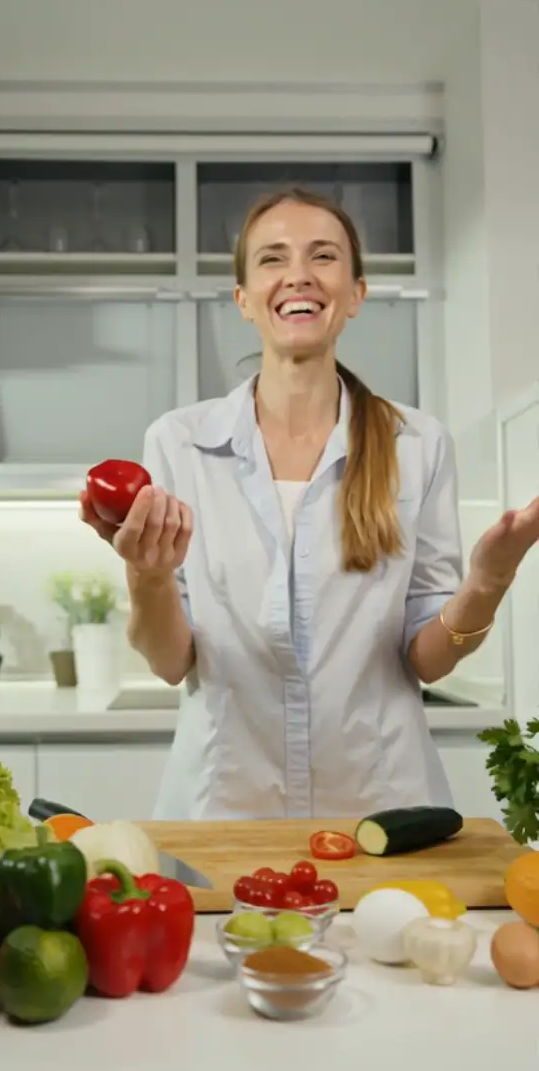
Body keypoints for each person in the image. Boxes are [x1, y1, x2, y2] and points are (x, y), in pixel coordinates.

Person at [80, 187, 539, 821]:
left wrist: (489, 580)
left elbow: (427, 660)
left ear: (355, 292)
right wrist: (148, 574)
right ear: (243, 299)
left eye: (323, 256)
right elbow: (169, 661)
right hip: (225, 809)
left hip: (383, 808)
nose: (298, 274)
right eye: (272, 258)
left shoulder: (418, 444)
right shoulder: (179, 443)